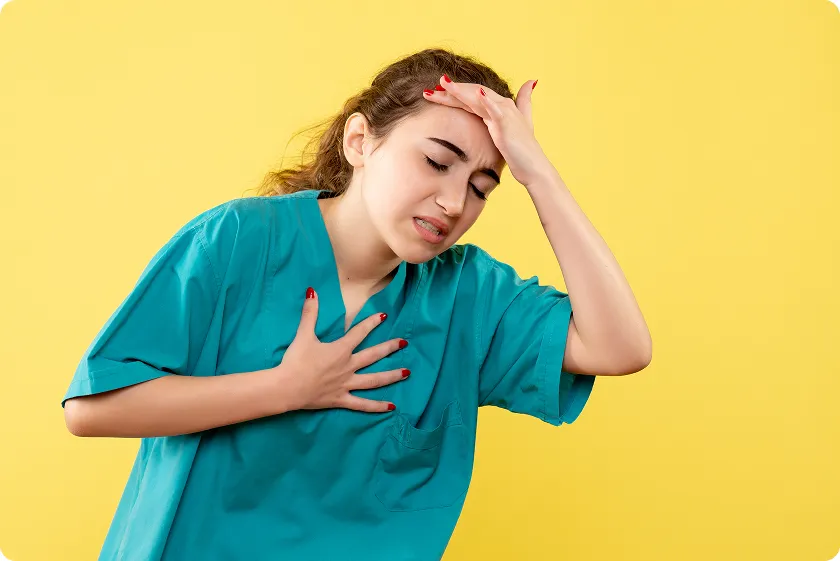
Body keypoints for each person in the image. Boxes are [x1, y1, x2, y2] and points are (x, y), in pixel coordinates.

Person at [62, 48, 651, 560]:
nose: (452, 202)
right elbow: (92, 408)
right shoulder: (238, 241)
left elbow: (621, 346)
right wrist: (285, 388)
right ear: (360, 140)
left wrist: (538, 173)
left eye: (480, 188)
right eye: (437, 161)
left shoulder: (469, 298)